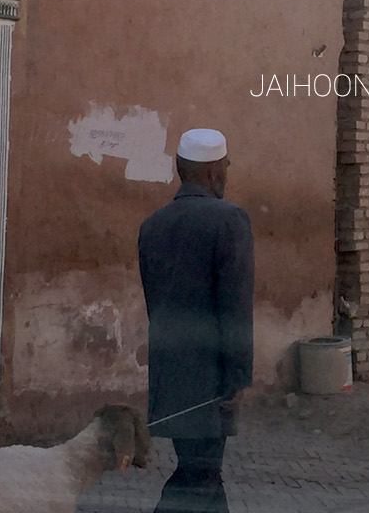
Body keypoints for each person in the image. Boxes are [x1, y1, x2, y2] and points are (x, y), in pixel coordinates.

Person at [138, 128, 254, 513]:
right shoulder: (230, 220)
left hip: (170, 374)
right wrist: (238, 375)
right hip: (211, 378)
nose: (227, 175)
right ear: (213, 172)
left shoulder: (152, 225)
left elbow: (155, 302)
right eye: (226, 167)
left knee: (198, 471)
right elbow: (234, 305)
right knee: (200, 474)